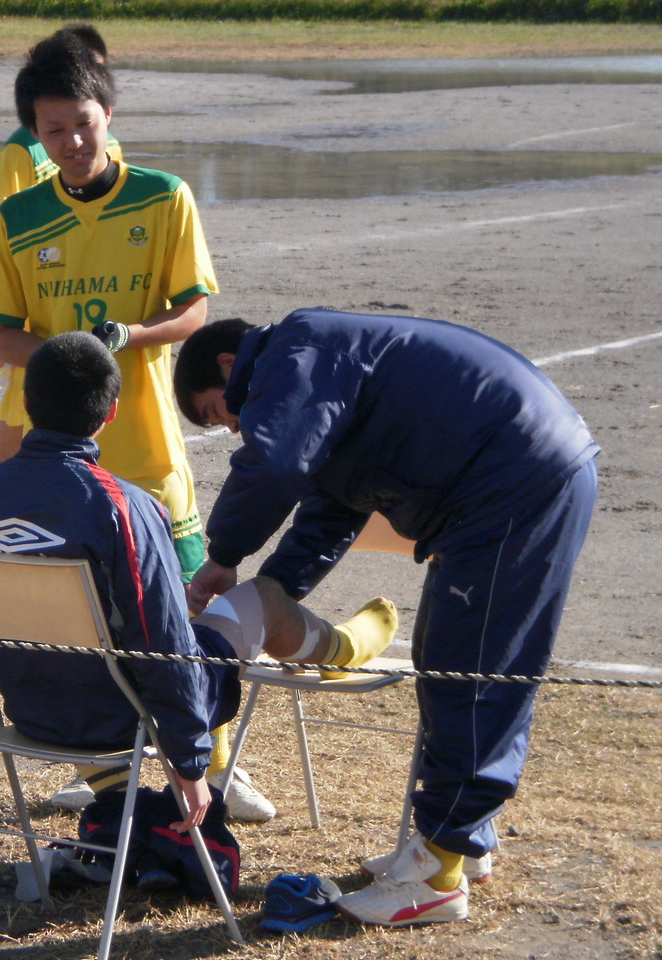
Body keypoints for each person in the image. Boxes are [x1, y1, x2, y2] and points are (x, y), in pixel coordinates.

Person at [174, 310, 599, 926]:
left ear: (228, 367)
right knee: (449, 658)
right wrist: (276, 590)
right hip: (508, 479)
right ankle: (458, 839)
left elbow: (274, 463)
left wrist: (224, 555)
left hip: (515, 479)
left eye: (219, 413)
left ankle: (439, 876)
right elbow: (331, 507)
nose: (234, 426)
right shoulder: (318, 372)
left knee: (470, 671)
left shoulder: (297, 350)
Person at [0, 32, 270, 820]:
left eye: (82, 123)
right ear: (34, 134)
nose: (70, 142)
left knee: (193, 614)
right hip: (64, 460)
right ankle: (108, 780)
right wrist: (70, 358)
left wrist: (130, 339)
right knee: (71, 618)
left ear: (108, 113)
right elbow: (3, 338)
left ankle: (213, 769)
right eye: (53, 130)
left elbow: (193, 312)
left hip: (148, 452)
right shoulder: (20, 217)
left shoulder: (164, 197)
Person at [0, 332, 399, 836]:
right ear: (110, 413)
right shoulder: (126, 506)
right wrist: (189, 764)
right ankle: (342, 647)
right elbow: (164, 649)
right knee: (263, 597)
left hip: (30, 711)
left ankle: (114, 788)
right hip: (123, 716)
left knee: (112, 643)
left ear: (26, 401)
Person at [0, 22, 123, 477]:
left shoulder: (108, 145)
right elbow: (12, 229)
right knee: (13, 441)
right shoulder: (22, 152)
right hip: (42, 316)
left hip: (94, 313)